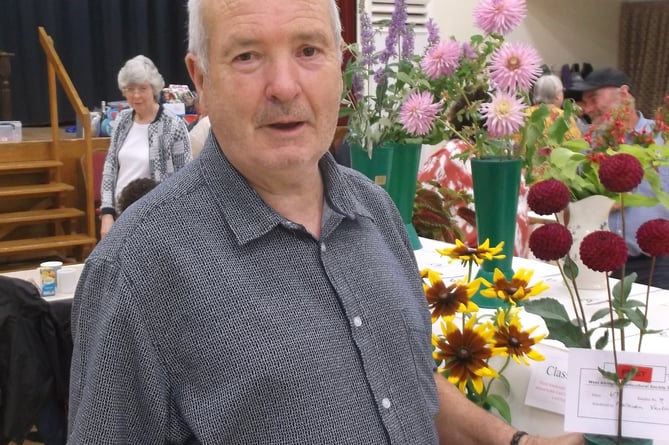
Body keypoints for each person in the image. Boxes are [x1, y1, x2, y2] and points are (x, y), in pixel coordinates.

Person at [67, 1, 584, 444]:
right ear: (200, 78)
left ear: (342, 63)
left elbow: (403, 383)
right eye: (247, 56)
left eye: (309, 50)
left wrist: (510, 439)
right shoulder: (137, 270)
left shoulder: (375, 210)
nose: (284, 85)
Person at [569, 68, 669, 289]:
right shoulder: (589, 147)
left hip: (657, 266)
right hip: (599, 263)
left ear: (624, 94)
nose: (588, 109)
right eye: (584, 103)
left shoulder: (662, 139)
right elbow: (576, 199)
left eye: (594, 99)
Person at [98, 55, 192, 237]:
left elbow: (185, 177)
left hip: (156, 219)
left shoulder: (173, 125)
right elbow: (110, 169)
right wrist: (107, 213)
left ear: (154, 89)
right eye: (130, 89)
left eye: (143, 88)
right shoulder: (122, 121)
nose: (136, 95)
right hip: (120, 215)